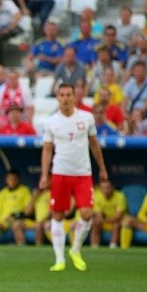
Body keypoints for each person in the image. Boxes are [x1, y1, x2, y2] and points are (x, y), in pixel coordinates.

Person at [40, 83, 109, 272]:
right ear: (57, 97)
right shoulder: (51, 122)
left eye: (68, 95)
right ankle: (59, 259)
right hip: (60, 173)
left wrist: (102, 168)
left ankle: (75, 249)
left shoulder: (86, 118)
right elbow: (47, 149)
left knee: (87, 214)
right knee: (58, 214)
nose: (65, 98)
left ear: (74, 97)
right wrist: (44, 175)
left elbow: (94, 144)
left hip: (83, 173)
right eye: (61, 95)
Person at [90, 179, 127, 248]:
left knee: (116, 224)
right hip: (104, 222)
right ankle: (94, 246)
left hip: (116, 222)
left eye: (108, 188)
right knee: (96, 223)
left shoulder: (120, 196)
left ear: (112, 187)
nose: (106, 191)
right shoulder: (97, 196)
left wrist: (103, 220)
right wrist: (100, 220)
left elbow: (118, 217)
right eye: (103, 188)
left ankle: (113, 246)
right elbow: (99, 215)